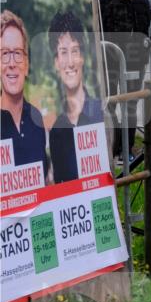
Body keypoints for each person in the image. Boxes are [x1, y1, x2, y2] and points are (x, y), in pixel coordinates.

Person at [48, 10, 104, 184]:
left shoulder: (101, 113)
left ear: (83, 57)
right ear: (56, 62)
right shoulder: (56, 129)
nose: (70, 62)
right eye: (64, 52)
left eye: (75, 51)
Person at [102, 0, 151, 158]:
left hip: (110, 59)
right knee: (130, 104)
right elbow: (144, 29)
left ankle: (112, 147)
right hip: (135, 59)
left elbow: (101, 29)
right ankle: (126, 148)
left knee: (110, 102)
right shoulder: (142, 1)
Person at [0, 10, 49, 182]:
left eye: (18, 53)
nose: (12, 63)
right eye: (5, 54)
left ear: (27, 65)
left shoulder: (36, 117)